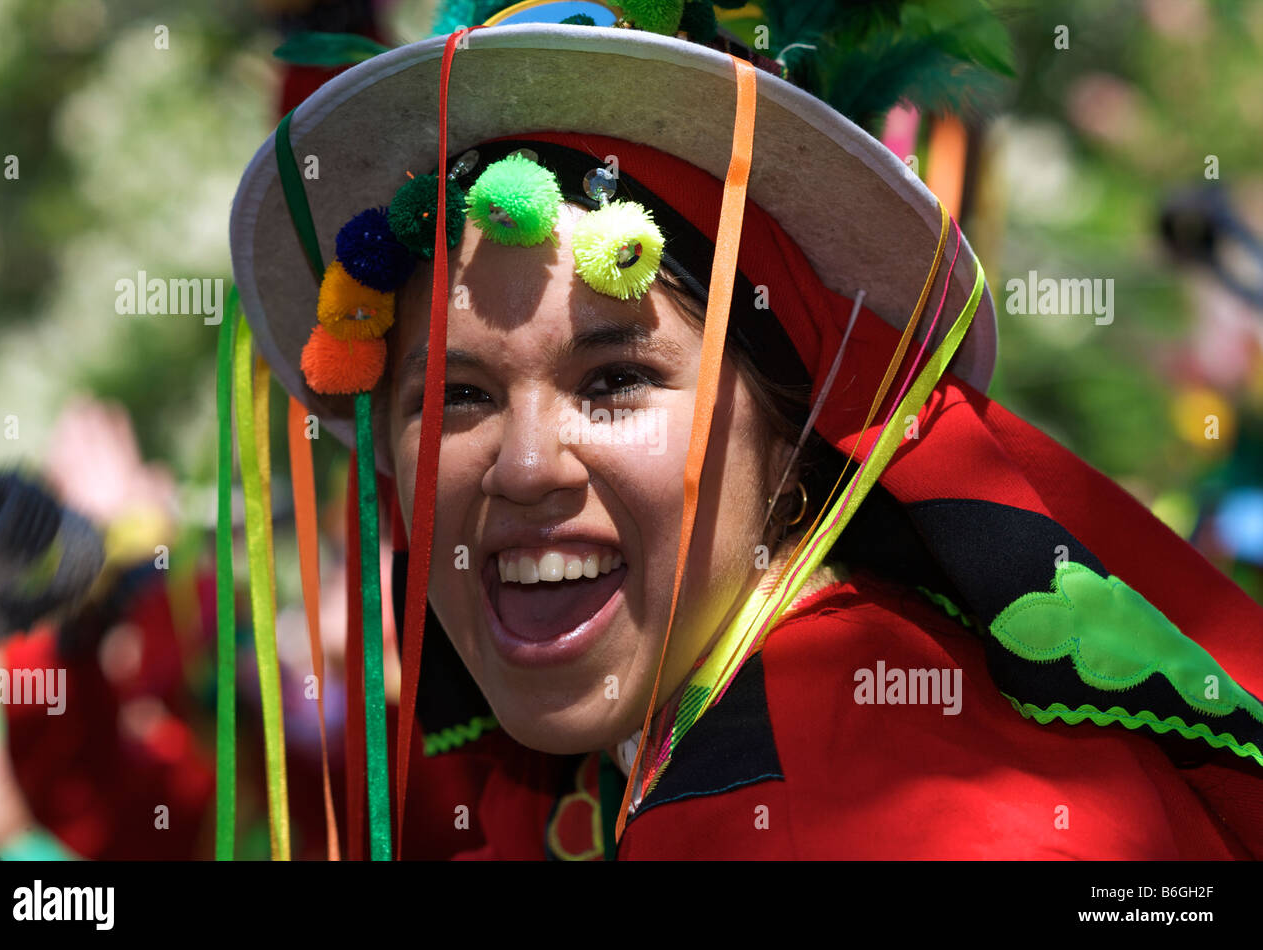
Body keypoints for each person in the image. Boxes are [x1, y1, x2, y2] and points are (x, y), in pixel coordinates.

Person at [226, 2, 1263, 859]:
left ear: (793, 427)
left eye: (617, 377)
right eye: (456, 396)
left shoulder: (900, 809)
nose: (526, 463)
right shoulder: (624, 771)